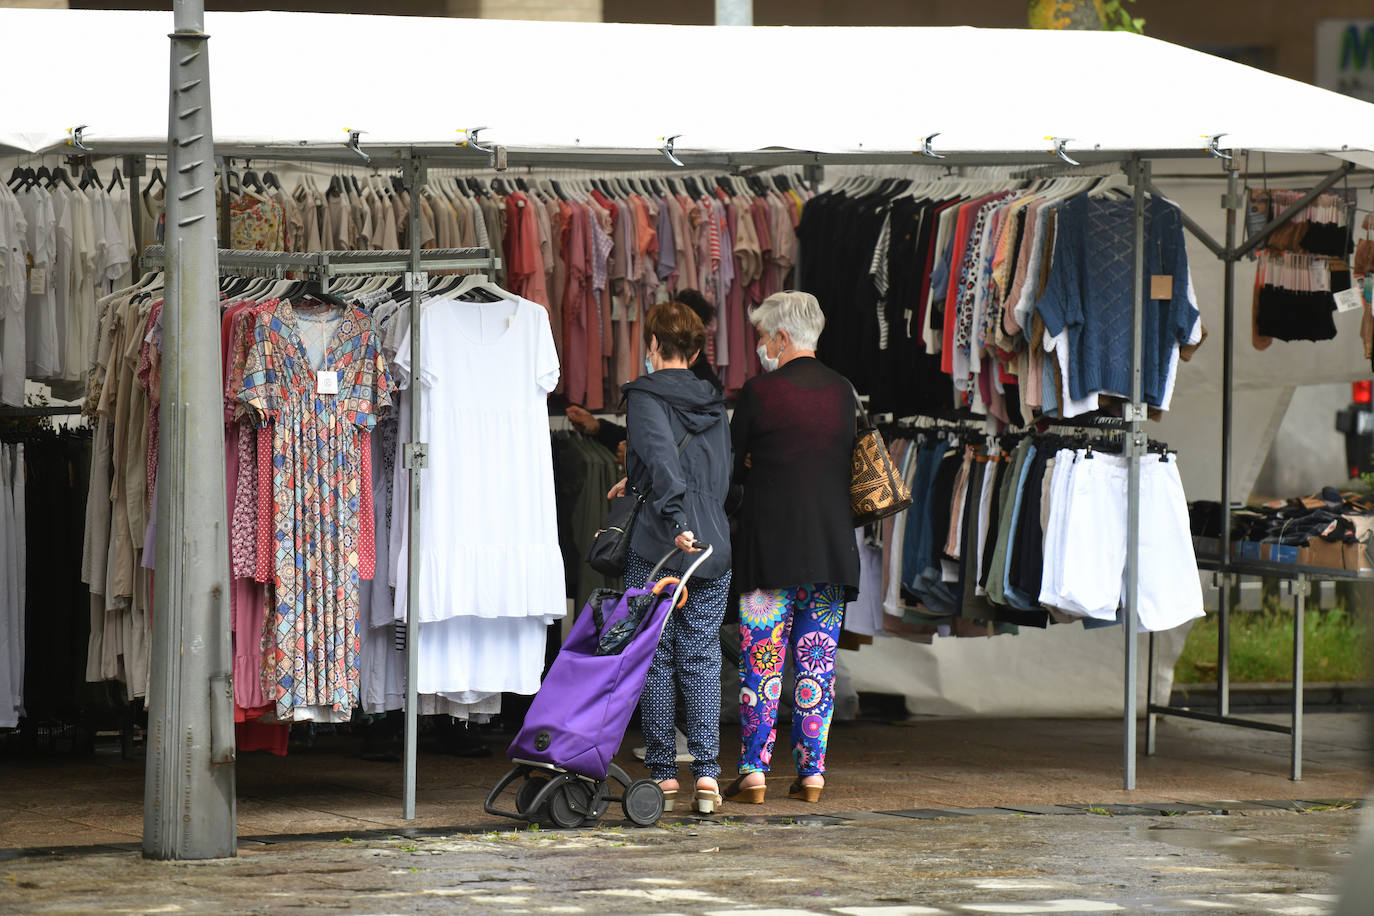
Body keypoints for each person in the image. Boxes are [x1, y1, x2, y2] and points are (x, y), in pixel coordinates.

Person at [724, 290, 860, 806]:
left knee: (761, 665)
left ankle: (755, 772)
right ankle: (812, 775)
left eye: (763, 337)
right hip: (828, 552)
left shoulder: (760, 394)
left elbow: (731, 477)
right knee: (816, 668)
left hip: (769, 554)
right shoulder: (843, 392)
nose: (761, 346)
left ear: (782, 337)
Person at [609, 300, 733, 814]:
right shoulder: (714, 401)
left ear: (654, 346)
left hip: (661, 544)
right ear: (699, 348)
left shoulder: (644, 397)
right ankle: (707, 776)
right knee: (702, 657)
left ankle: (663, 774)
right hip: (713, 544)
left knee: (656, 658)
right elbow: (716, 474)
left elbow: (664, 465)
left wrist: (676, 521)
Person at [566, 289, 722, 449]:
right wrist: (599, 427)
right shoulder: (711, 393)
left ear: (654, 342)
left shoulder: (658, 393)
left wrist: (636, 459)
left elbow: (659, 449)